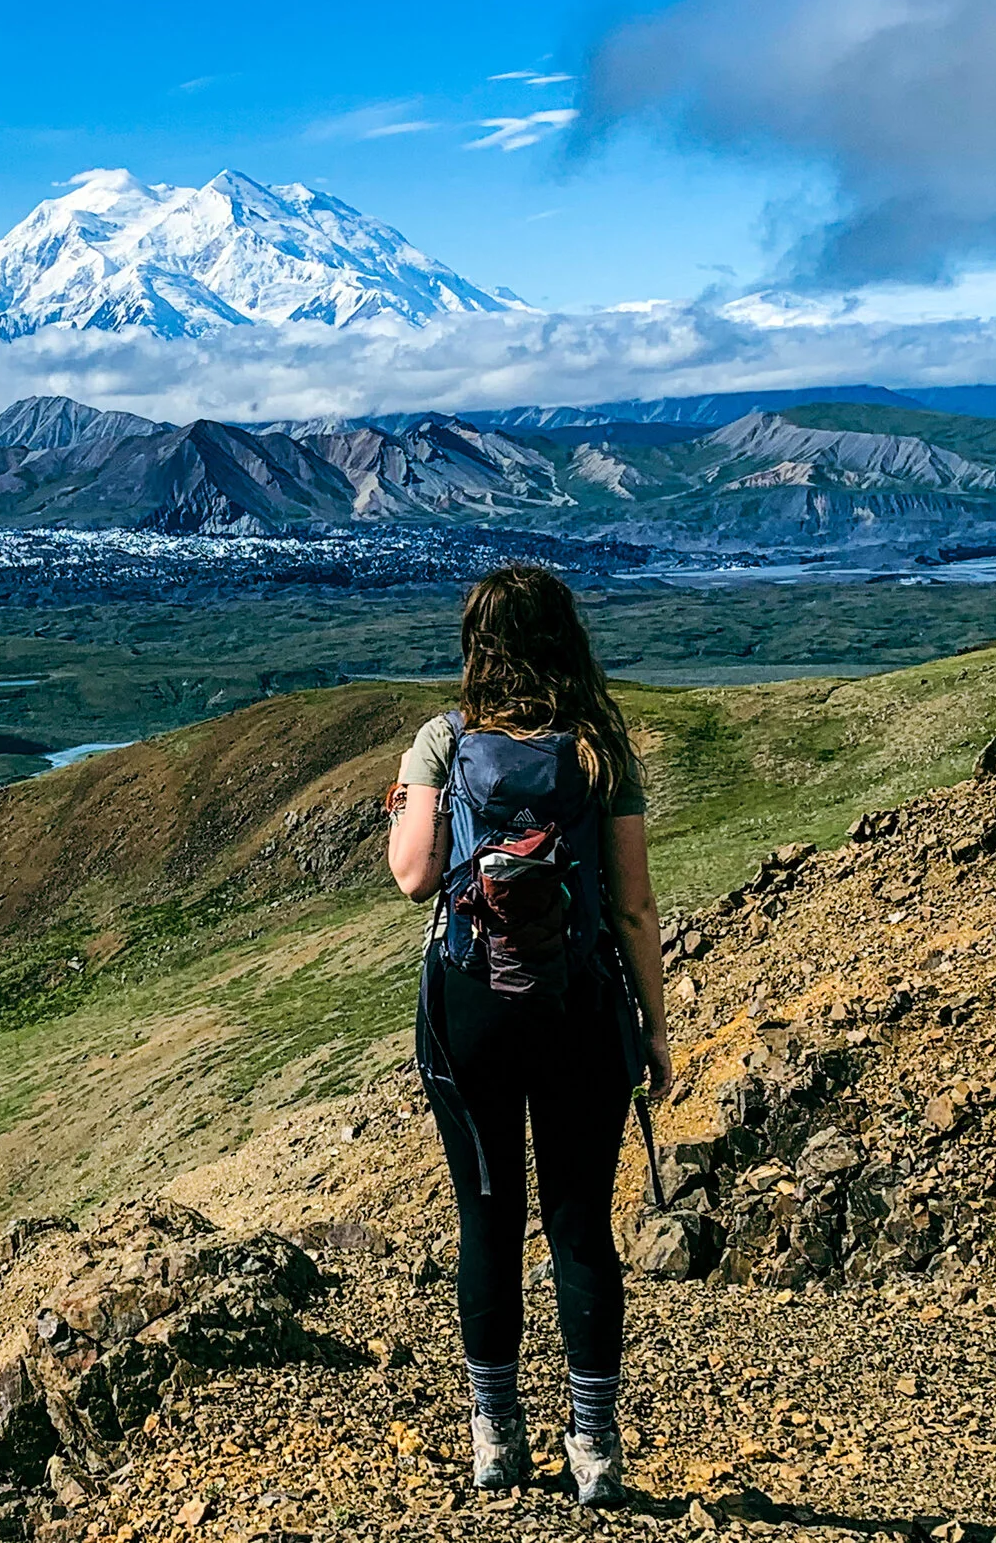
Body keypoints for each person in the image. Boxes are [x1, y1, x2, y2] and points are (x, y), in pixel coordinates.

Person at [384, 563, 671, 1508]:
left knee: (488, 1216)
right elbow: (631, 906)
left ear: (478, 642)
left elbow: (415, 878)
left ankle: (495, 1440)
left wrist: (404, 808)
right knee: (581, 1224)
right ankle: (595, 1449)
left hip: (470, 1009)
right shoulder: (598, 745)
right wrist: (654, 1031)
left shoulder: (443, 739)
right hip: (580, 1009)